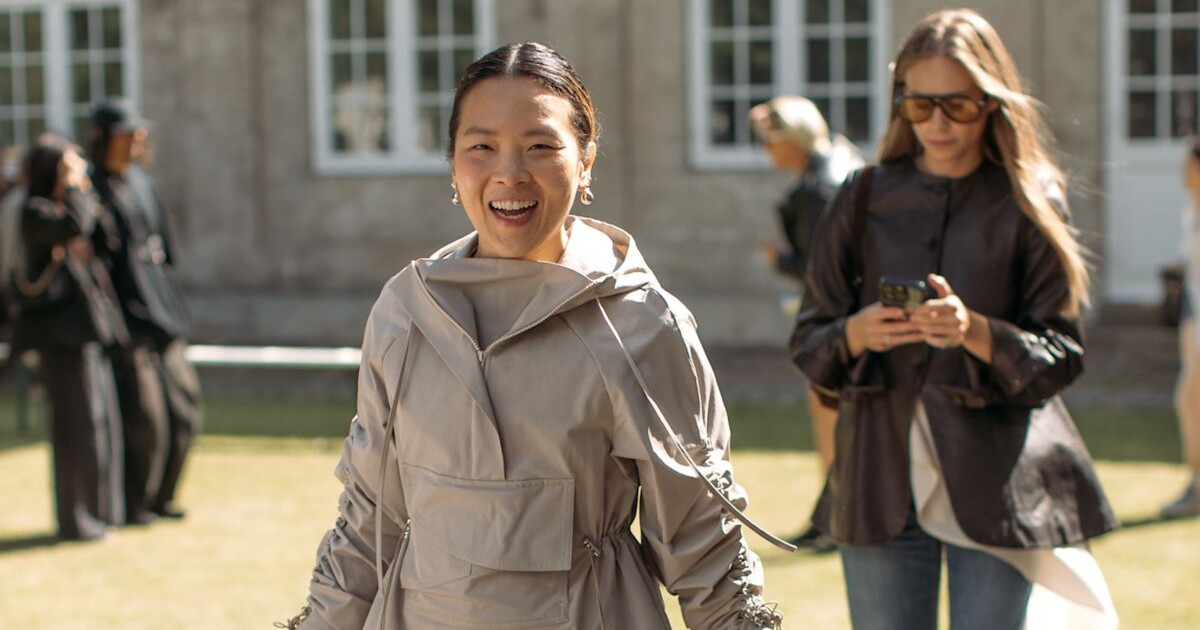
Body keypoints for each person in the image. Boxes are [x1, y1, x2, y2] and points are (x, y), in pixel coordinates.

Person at [282, 42, 786, 630]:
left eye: (540, 146)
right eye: (482, 147)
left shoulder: (642, 325)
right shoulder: (404, 314)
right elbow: (369, 520)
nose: (510, 173)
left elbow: (701, 541)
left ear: (585, 160)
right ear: (453, 164)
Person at [789, 9, 1119, 630]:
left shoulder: (1029, 199)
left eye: (958, 106)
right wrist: (857, 332)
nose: (938, 123)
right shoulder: (861, 195)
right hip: (877, 479)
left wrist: (976, 332)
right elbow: (809, 343)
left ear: (991, 104)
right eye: (921, 105)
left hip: (995, 482)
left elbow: (1062, 355)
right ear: (902, 103)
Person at [748, 96, 863, 551]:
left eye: (768, 140)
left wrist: (780, 260)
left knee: (833, 422)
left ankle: (836, 522)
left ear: (790, 138)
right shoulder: (842, 163)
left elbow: (823, 268)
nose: (765, 151)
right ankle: (829, 516)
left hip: (837, 326)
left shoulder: (819, 189)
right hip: (847, 319)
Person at [10, 134, 128, 541]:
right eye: (69, 167)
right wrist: (77, 189)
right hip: (59, 339)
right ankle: (77, 520)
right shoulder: (34, 211)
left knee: (100, 425)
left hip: (86, 335)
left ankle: (101, 512)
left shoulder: (68, 206)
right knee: (76, 431)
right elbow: (75, 226)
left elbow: (103, 234)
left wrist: (83, 190)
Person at [88, 99, 202, 524]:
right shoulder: (94, 191)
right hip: (127, 322)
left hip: (162, 315)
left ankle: (162, 497)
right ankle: (135, 503)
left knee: (185, 408)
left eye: (138, 135)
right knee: (145, 417)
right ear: (104, 139)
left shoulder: (142, 184)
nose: (136, 142)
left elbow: (163, 251)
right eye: (126, 135)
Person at [1163, 137, 1200, 519]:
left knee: (1191, 401)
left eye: (1189, 165)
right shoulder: (1193, 211)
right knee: (1189, 404)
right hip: (1193, 322)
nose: (1183, 173)